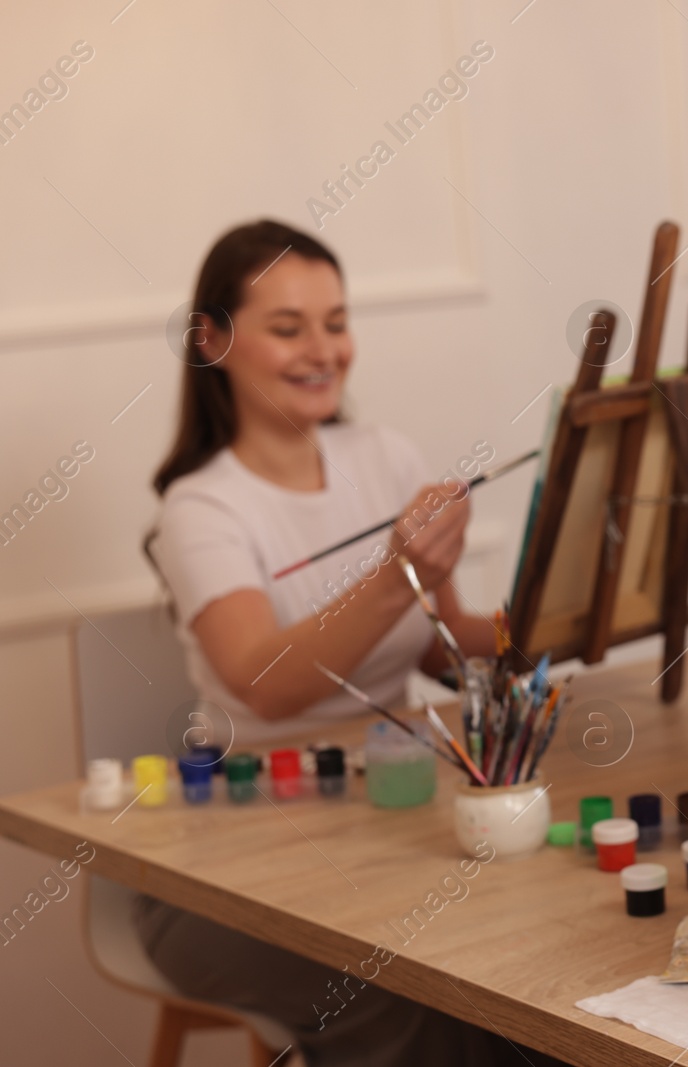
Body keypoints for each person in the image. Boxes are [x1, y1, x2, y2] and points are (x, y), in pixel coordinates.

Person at [139, 219, 552, 1066]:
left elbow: (443, 649)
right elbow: (268, 684)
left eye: (336, 321)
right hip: (236, 864)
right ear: (213, 339)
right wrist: (397, 568)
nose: (322, 349)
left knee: (528, 987)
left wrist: (554, 614)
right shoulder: (200, 507)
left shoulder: (384, 455)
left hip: (384, 825)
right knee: (417, 1018)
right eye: (288, 327)